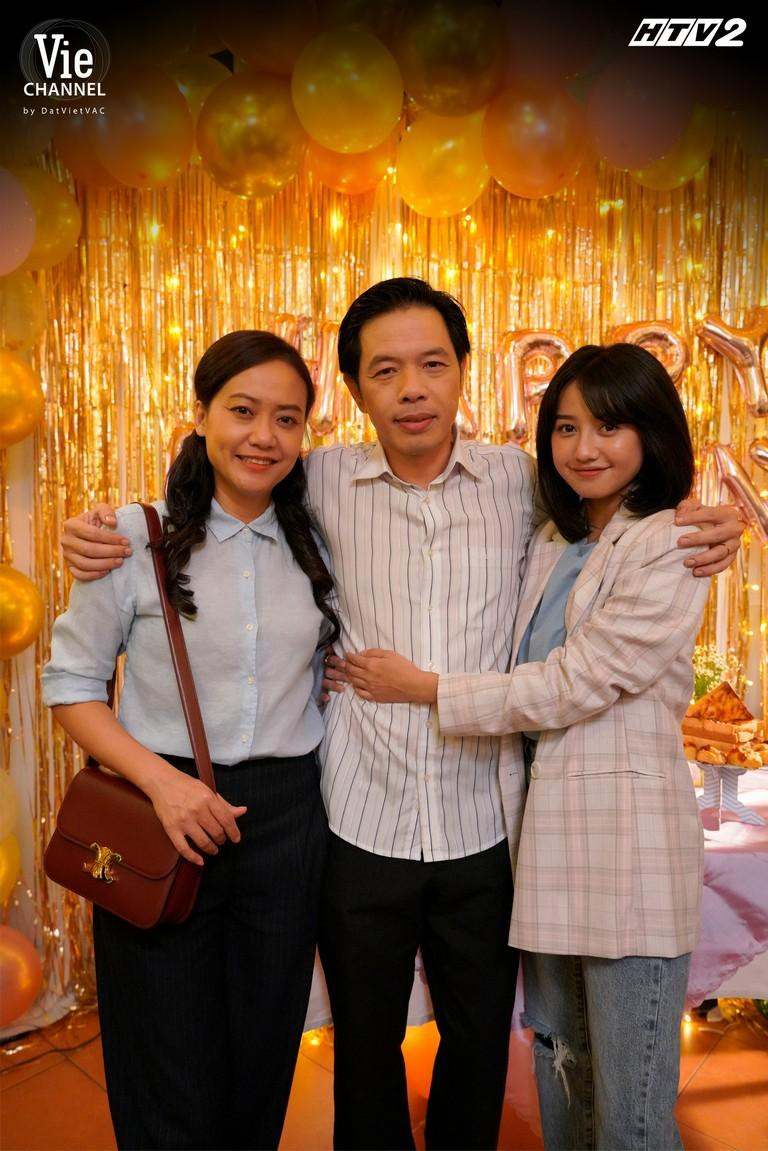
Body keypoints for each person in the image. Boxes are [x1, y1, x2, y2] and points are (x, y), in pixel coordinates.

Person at [59, 281, 743, 1151]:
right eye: (385, 370)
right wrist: (102, 530)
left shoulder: (521, 481)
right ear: (354, 388)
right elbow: (224, 485)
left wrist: (702, 518)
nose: (412, 388)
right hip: (359, 816)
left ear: (463, 370)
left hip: (486, 820)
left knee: (481, 1045)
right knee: (364, 1051)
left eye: (432, 364)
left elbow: (612, 511)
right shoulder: (319, 479)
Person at [342, 342, 714, 1151]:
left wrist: (429, 688)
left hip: (628, 848)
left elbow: (577, 680)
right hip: (545, 843)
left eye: (610, 426)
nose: (585, 447)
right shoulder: (553, 537)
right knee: (563, 1075)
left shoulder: (669, 543)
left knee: (631, 1114)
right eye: (567, 427)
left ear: (652, 432)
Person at [42, 331, 339, 1151]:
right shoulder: (133, 537)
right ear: (201, 413)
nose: (263, 436)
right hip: (157, 806)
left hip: (287, 817)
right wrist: (164, 785)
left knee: (263, 1056)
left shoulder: (319, 543)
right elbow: (70, 684)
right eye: (242, 410)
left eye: (287, 418)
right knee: (164, 1059)